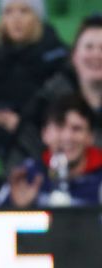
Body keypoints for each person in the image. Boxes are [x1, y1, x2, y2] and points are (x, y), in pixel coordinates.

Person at [0, 0, 67, 162]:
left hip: (39, 140)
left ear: (37, 17)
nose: (16, 19)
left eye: (24, 11)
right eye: (8, 12)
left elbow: (61, 111)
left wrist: (22, 124)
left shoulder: (57, 56)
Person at [12, 14, 102, 169]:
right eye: (89, 47)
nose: (97, 55)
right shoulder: (47, 99)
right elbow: (22, 153)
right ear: (74, 56)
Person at [0, 94, 102, 208]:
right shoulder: (27, 175)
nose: (67, 137)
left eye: (76, 129)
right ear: (45, 134)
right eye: (60, 127)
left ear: (90, 137)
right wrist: (19, 208)